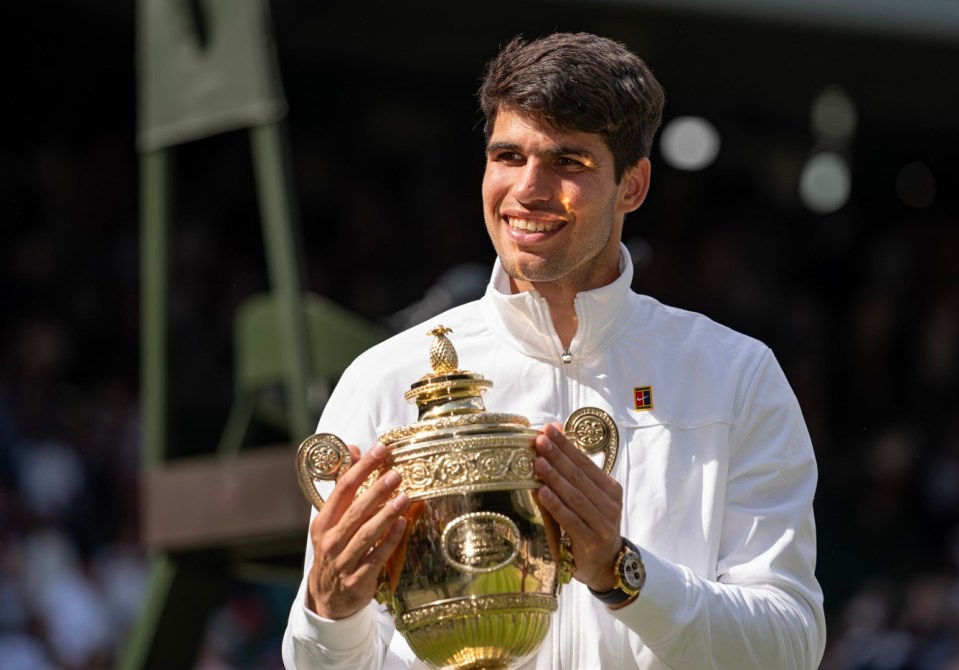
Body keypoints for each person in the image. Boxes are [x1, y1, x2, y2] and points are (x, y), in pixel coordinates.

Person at [282, 31, 825, 669]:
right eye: (508, 156)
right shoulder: (386, 377)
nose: (529, 190)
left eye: (569, 162)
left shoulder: (735, 375)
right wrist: (330, 610)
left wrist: (621, 574)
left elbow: (790, 646)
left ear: (634, 186)